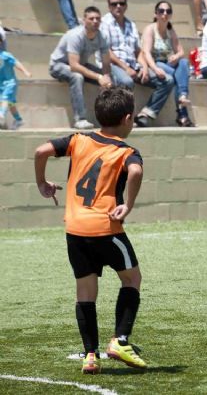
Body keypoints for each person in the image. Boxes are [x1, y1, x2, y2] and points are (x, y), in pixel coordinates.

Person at [33, 87, 146, 374]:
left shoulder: (78, 140)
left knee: (85, 291)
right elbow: (135, 172)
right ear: (128, 118)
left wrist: (42, 183)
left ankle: (90, 355)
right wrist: (128, 205)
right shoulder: (126, 151)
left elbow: (41, 151)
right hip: (106, 227)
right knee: (132, 278)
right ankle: (120, 340)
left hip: (75, 229)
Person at [101, 0, 174, 128]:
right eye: (114, 4)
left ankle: (146, 114)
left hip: (133, 65)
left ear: (126, 5)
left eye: (121, 3)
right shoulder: (105, 23)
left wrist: (145, 67)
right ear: (109, 6)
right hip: (113, 65)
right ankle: (124, 120)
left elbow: (138, 51)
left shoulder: (131, 24)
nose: (118, 6)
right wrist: (126, 68)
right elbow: (107, 52)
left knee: (167, 80)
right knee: (126, 81)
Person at [49, 6, 113, 130]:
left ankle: (110, 117)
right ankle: (80, 119)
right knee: (77, 77)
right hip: (58, 65)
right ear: (84, 20)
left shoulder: (102, 36)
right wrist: (99, 77)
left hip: (81, 64)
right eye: (91, 18)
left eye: (97, 19)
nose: (95, 21)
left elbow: (106, 62)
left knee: (111, 81)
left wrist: (106, 77)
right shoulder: (75, 35)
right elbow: (74, 65)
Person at [142, 0, 194, 127]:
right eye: (161, 11)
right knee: (178, 75)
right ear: (156, 13)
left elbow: (181, 51)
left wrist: (176, 56)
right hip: (155, 63)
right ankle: (182, 113)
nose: (164, 14)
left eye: (168, 11)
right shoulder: (150, 29)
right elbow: (146, 53)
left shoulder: (170, 30)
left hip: (168, 64)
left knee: (183, 62)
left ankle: (182, 95)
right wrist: (155, 68)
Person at [0, 29, 32, 130]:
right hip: (1, 84)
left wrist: (25, 72)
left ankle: (1, 114)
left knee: (5, 98)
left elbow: (16, 63)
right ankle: (18, 120)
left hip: (10, 83)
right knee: (11, 104)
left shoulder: (6, 55)